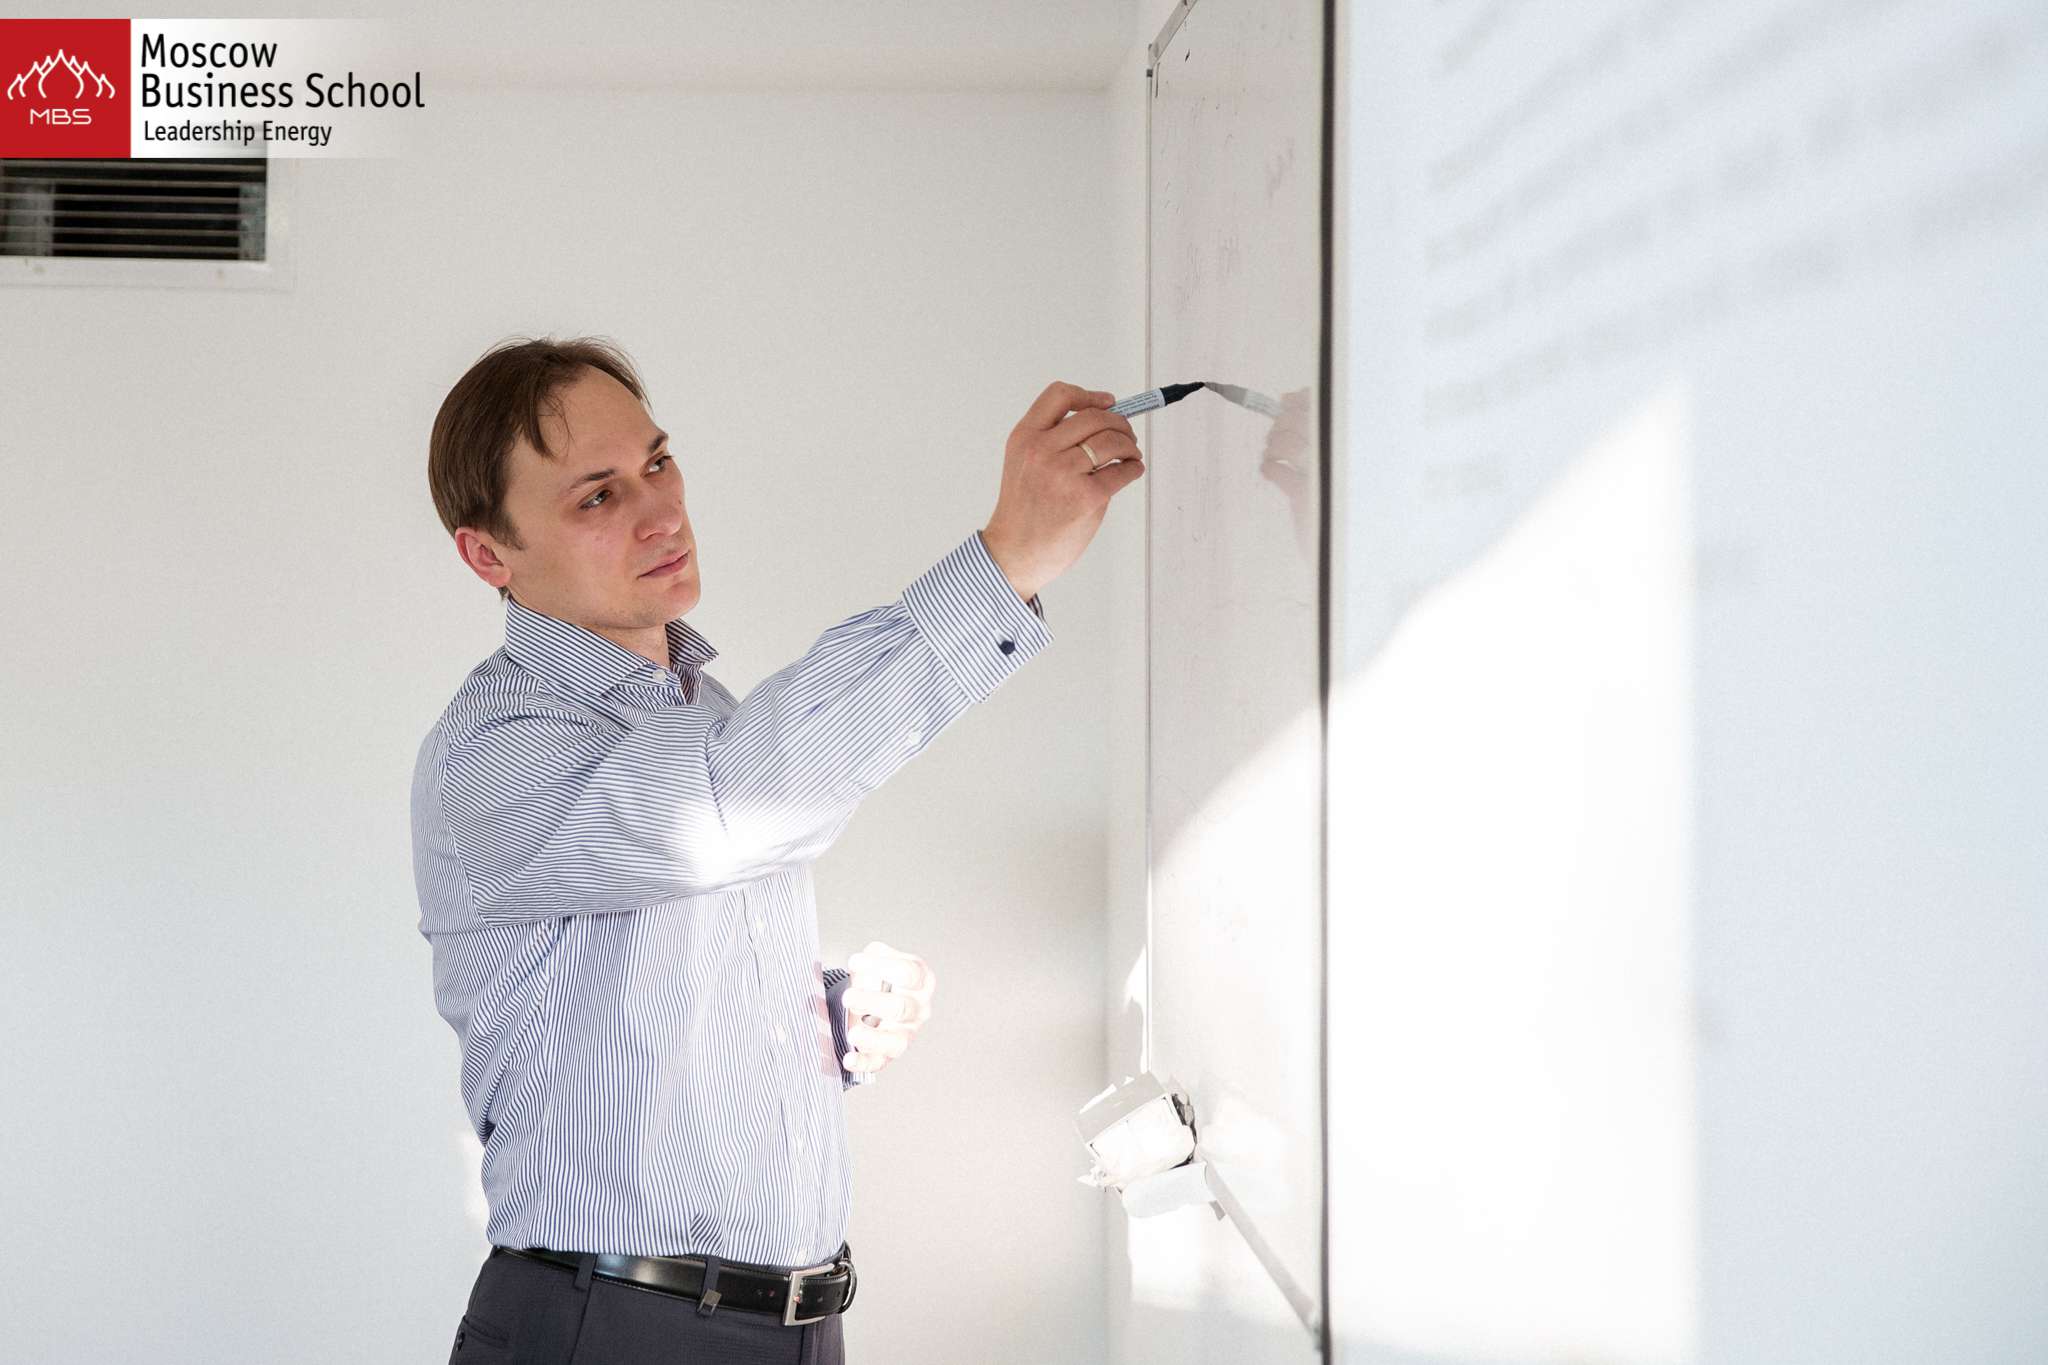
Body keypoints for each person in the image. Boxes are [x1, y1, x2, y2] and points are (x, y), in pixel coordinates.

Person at [410, 336, 1144, 1363]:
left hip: (791, 1325)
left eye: (658, 463)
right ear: (489, 555)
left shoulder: (696, 708)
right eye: (598, 496)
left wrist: (813, 1017)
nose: (661, 512)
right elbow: (740, 797)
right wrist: (1004, 562)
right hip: (614, 1330)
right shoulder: (500, 747)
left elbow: (636, 989)